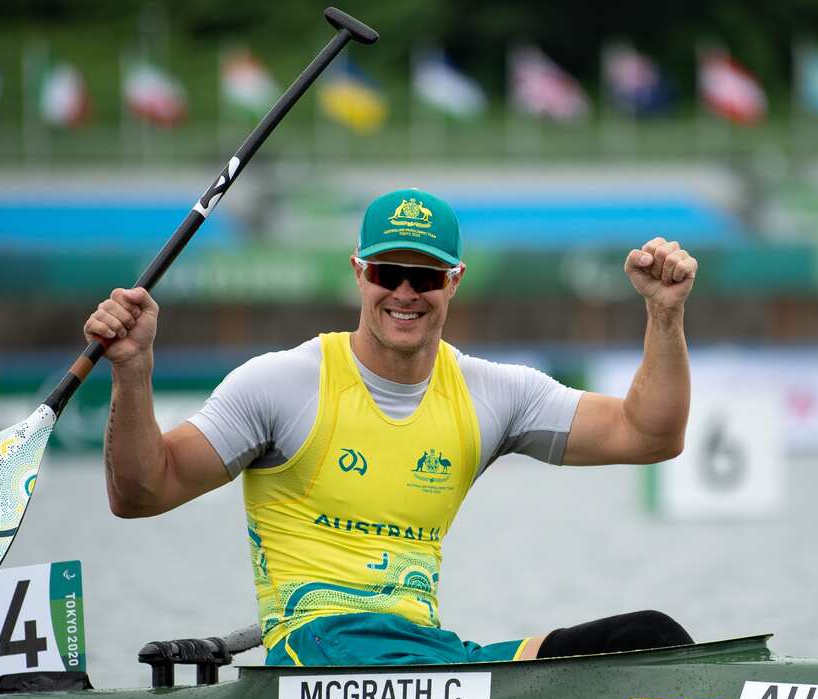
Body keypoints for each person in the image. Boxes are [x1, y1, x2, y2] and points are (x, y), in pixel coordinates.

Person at [85, 188, 698, 666]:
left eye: (426, 277)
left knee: (651, 637)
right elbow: (143, 492)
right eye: (388, 273)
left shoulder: (494, 393)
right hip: (315, 656)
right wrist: (133, 371)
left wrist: (663, 316)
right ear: (359, 272)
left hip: (424, 654)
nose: (405, 292)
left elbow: (650, 435)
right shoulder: (281, 384)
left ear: (454, 280)